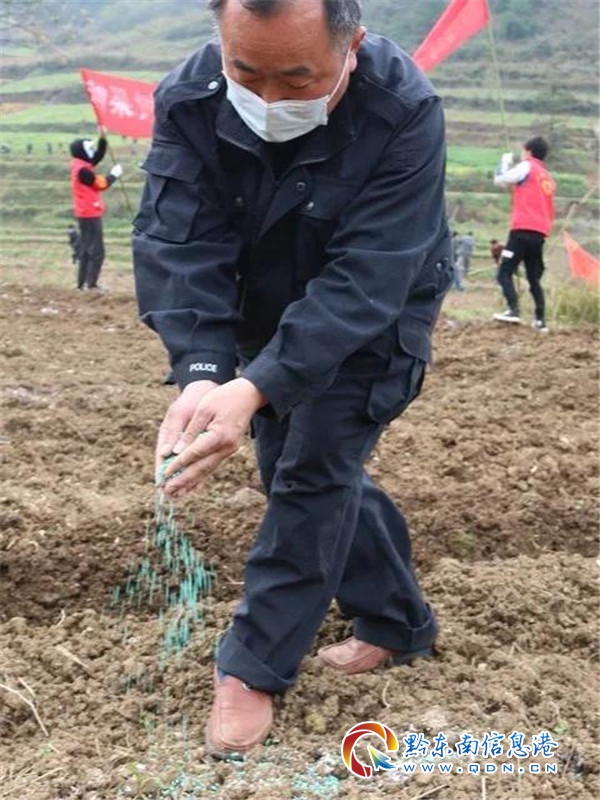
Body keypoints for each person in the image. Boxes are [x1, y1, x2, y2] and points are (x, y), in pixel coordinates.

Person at [133, 0, 452, 757]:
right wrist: (204, 373)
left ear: (352, 45)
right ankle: (399, 620)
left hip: (374, 317)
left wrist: (256, 387)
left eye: (298, 79)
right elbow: (181, 239)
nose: (269, 99)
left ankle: (253, 665)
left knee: (312, 468)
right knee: (298, 467)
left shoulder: (405, 111)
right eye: (247, 73)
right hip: (267, 308)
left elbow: (366, 277)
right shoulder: (190, 97)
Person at [492, 136, 556, 330]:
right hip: (540, 233)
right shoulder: (547, 177)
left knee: (504, 272)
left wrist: (504, 161)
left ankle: (513, 310)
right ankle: (540, 320)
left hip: (521, 229)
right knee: (533, 278)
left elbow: (500, 180)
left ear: (528, 152)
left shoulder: (527, 166)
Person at [69, 129, 122, 291]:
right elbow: (101, 184)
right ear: (83, 151)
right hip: (90, 213)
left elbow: (97, 157)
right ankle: (91, 285)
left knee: (86, 248)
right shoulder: (83, 171)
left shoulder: (80, 164)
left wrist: (102, 139)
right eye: (90, 149)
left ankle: (82, 284)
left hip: (84, 213)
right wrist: (114, 175)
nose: (92, 152)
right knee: (97, 251)